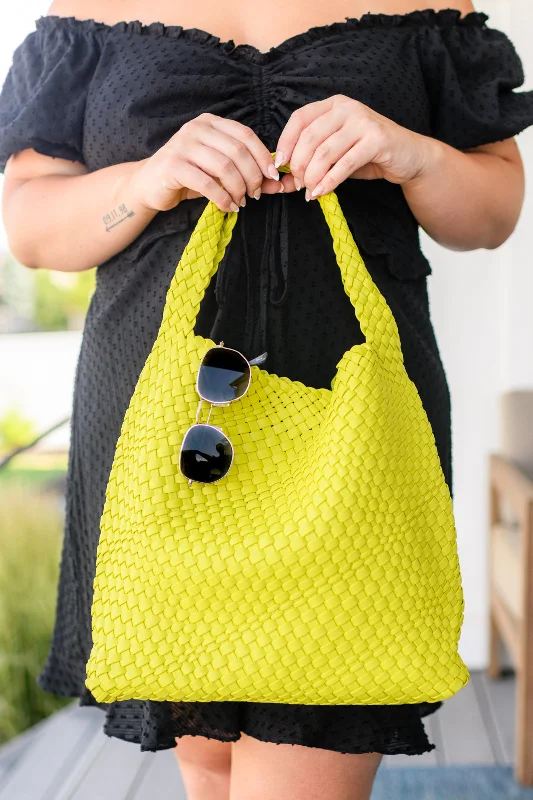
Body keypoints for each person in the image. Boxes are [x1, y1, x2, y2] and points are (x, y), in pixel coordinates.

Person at [0, 1, 532, 798]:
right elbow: (33, 230)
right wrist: (148, 180)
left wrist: (413, 157)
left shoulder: (430, 12)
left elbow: (490, 216)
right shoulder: (86, 11)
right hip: (159, 427)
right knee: (208, 771)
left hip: (353, 425)